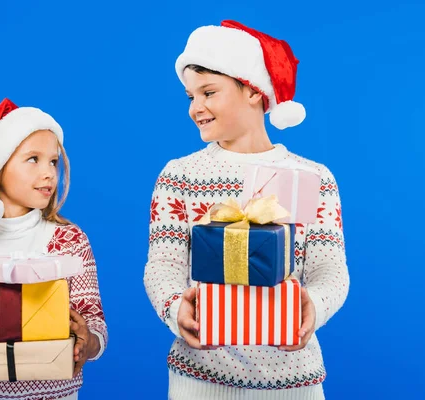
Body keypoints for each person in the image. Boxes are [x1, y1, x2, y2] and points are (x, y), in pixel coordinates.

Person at [144, 20, 349, 399]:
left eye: (209, 92)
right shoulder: (180, 176)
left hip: (293, 382)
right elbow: (163, 266)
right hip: (199, 380)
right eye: (190, 96)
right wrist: (176, 309)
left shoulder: (314, 178)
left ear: (253, 91)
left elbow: (330, 270)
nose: (196, 107)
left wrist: (313, 308)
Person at [0, 98, 107, 400]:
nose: (49, 172)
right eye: (33, 159)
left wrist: (88, 341)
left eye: (53, 161)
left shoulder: (71, 241)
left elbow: (94, 323)